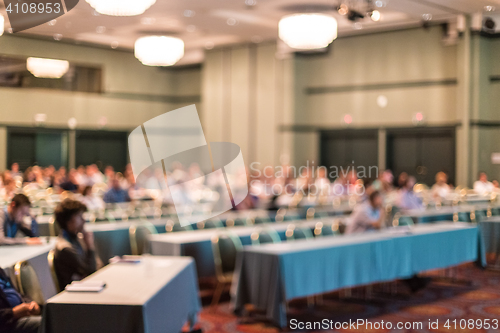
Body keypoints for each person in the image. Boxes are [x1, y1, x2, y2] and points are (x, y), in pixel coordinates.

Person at [53, 199, 97, 289]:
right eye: (79, 216)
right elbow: (91, 272)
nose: (83, 220)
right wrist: (90, 247)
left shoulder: (75, 239)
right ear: (69, 221)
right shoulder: (65, 248)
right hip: (74, 295)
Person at [0, 268, 41, 333]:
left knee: (53, 313)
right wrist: (13, 313)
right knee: (46, 323)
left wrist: (30, 303)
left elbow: (16, 293)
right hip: (8, 324)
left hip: (22, 314)